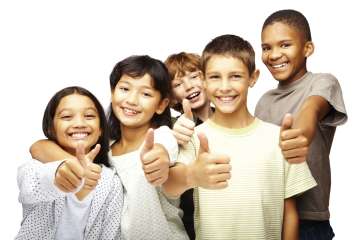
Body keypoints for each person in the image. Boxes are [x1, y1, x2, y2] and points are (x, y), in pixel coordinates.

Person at [163, 34, 317, 240]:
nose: (225, 87)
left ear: (253, 78)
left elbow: (289, 212)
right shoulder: (195, 137)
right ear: (205, 80)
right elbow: (169, 185)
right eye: (215, 77)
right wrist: (193, 174)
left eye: (235, 76)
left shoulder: (278, 138)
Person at [29, 56, 188, 240]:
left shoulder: (161, 136)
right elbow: (38, 147)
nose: (132, 100)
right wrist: (73, 165)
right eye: (124, 89)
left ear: (161, 105)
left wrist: (159, 159)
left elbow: (162, 151)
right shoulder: (105, 148)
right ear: (112, 92)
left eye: (146, 94)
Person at [255, 9, 347, 239]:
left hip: (310, 222)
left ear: (307, 49)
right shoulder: (264, 101)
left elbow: (312, 109)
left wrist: (300, 136)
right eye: (266, 48)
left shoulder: (323, 82)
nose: (274, 55)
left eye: (285, 45)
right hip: (270, 216)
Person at [16, 86, 123, 239]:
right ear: (51, 128)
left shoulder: (111, 182)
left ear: (100, 129)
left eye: (89, 116)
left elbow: (111, 235)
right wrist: (60, 171)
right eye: (67, 117)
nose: (79, 123)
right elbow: (32, 185)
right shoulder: (34, 167)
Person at [165, 52, 213, 239]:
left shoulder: (230, 117)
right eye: (177, 84)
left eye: (194, 76)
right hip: (195, 224)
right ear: (171, 97)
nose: (189, 85)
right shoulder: (173, 127)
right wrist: (174, 136)